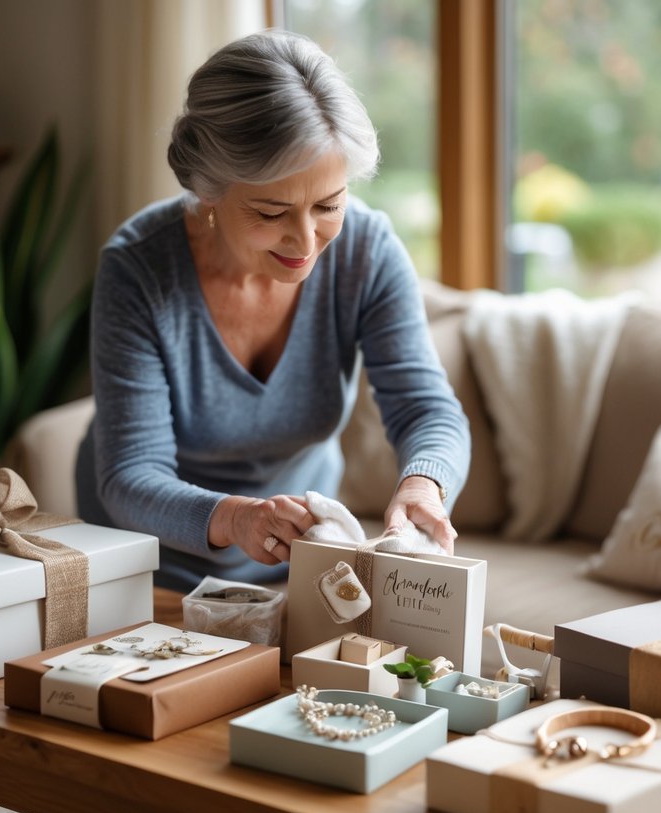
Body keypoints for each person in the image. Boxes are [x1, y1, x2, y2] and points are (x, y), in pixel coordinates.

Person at [76, 30, 471, 592]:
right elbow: (129, 475)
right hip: (145, 567)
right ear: (210, 191)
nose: (306, 240)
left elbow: (428, 409)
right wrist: (237, 517)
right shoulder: (139, 269)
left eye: (329, 205)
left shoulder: (367, 251)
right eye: (271, 211)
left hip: (303, 562)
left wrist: (423, 485)